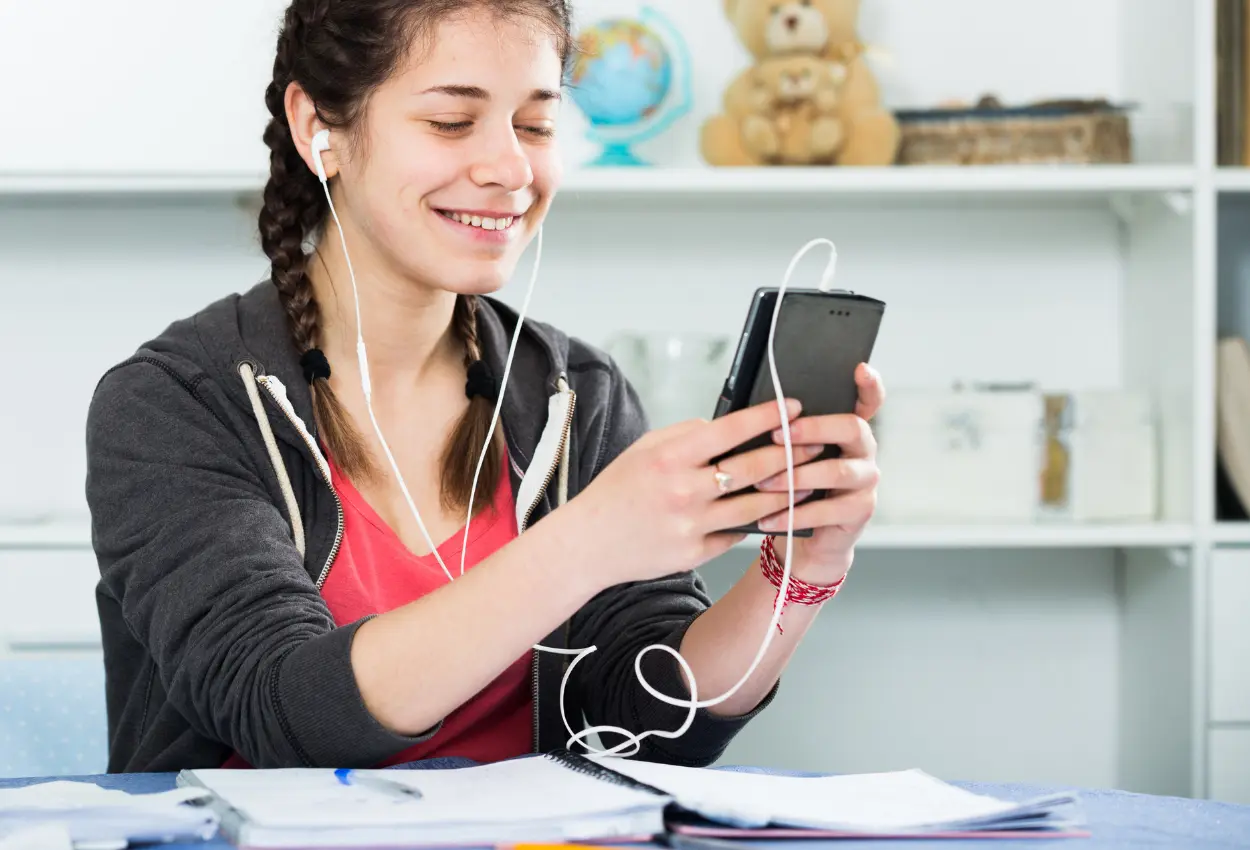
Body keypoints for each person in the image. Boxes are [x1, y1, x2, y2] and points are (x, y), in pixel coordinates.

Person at [84, 0, 886, 775]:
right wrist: (585, 544)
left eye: (535, 125)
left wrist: (798, 571)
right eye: (450, 121)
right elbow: (284, 711)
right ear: (317, 127)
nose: (510, 169)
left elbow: (652, 719)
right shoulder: (174, 403)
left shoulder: (576, 394)